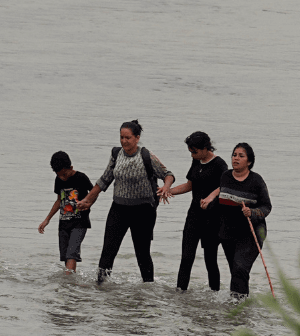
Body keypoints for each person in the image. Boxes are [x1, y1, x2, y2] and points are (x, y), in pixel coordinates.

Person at [76, 120, 175, 285]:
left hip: (143, 211)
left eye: (127, 138)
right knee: (108, 251)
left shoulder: (146, 156)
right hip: (119, 210)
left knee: (142, 253)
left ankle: (148, 288)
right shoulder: (116, 154)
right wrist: (88, 200)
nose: (123, 141)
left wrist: (166, 187)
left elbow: (168, 174)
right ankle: (100, 286)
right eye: (121, 137)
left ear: (137, 138)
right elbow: (104, 180)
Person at [200, 142, 271, 299]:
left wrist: (252, 212)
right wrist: (209, 202)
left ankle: (237, 304)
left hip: (251, 233)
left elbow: (266, 207)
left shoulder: (256, 181)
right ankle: (240, 304)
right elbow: (222, 197)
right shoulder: (225, 176)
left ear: (249, 161)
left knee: (240, 267)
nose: (236, 158)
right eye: (234, 155)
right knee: (236, 270)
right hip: (228, 232)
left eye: (241, 156)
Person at [169, 132, 228, 291]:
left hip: (212, 218)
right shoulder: (196, 161)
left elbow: (226, 185)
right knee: (186, 258)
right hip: (193, 216)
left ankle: (214, 295)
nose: (192, 155)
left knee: (210, 260)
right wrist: (168, 191)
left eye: (194, 151)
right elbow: (190, 185)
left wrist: (211, 196)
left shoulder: (219, 164)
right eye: (190, 152)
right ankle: (180, 293)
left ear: (206, 147)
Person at [38, 151, 93, 272]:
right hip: (63, 224)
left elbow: (94, 192)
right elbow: (59, 200)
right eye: (59, 175)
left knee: (72, 254)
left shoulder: (81, 177)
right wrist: (47, 219)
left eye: (64, 174)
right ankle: (69, 285)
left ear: (71, 168)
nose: (62, 178)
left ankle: (69, 283)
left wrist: (87, 203)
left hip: (80, 223)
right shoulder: (58, 180)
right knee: (65, 256)